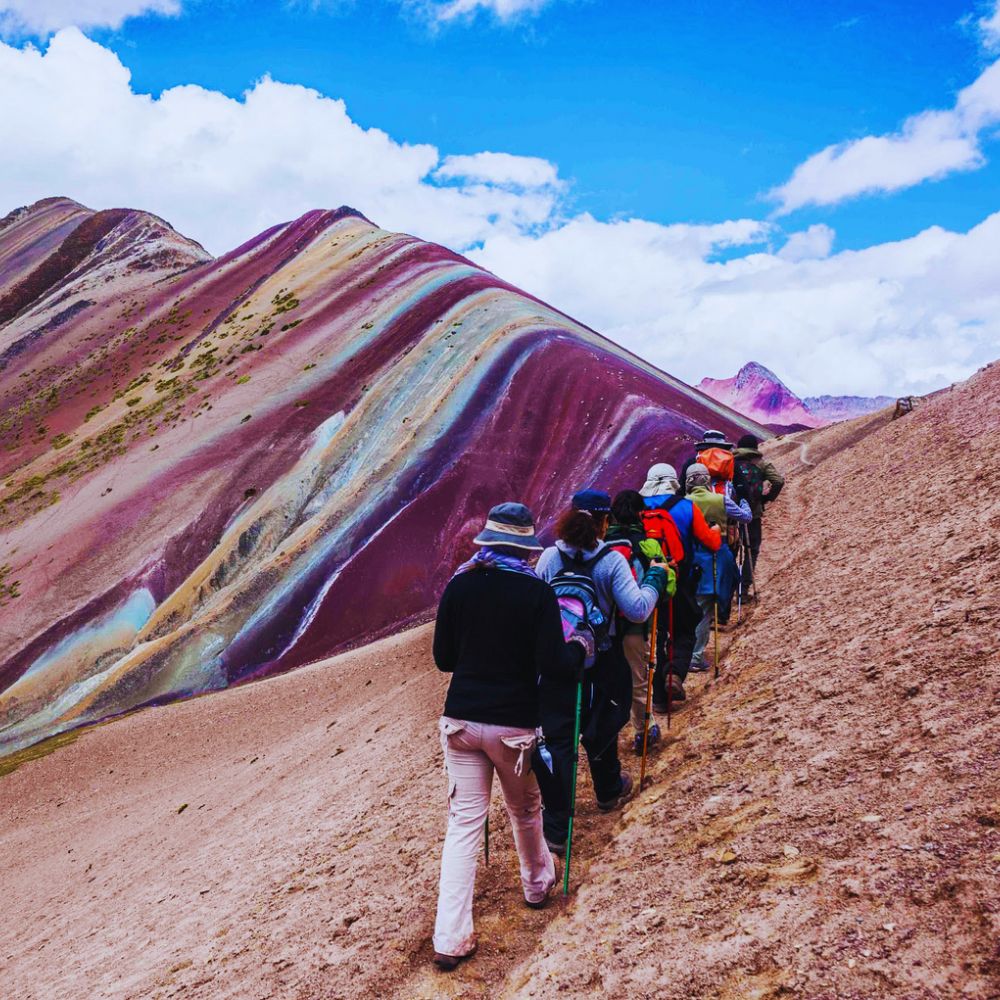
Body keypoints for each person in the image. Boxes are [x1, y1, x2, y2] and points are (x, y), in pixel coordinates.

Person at [432, 502, 579, 971]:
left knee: (463, 827)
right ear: (526, 548)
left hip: (460, 722)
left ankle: (450, 938)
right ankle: (537, 885)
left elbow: (444, 659)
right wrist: (579, 648)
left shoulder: (460, 583)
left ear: (489, 543)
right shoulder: (536, 594)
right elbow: (554, 666)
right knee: (524, 808)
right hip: (514, 725)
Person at [534, 489, 668, 853]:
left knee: (560, 740)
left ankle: (556, 828)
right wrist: (655, 580)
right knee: (602, 725)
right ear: (604, 522)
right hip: (600, 658)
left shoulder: (549, 557)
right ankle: (608, 790)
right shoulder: (610, 561)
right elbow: (637, 609)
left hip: (556, 663)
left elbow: (538, 603)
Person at [637, 463, 721, 708]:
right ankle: (674, 673)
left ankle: (659, 698)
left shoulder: (638, 508)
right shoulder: (686, 506)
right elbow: (711, 543)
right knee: (684, 628)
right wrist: (716, 530)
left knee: (655, 635)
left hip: (647, 580)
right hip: (680, 577)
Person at [605, 490, 676, 754]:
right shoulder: (648, 545)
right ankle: (643, 731)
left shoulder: (600, 545)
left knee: (608, 679)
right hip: (637, 625)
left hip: (602, 627)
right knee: (639, 678)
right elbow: (668, 588)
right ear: (639, 514)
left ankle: (606, 734)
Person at [684, 463, 750, 672]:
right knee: (705, 610)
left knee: (692, 604)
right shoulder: (721, 500)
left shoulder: (683, 502)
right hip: (717, 556)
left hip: (690, 556)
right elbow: (745, 517)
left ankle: (684, 652)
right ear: (706, 480)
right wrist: (746, 504)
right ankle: (695, 655)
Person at [732, 433, 785, 592]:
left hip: (731, 514)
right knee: (751, 549)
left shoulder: (730, 462)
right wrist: (766, 498)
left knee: (731, 549)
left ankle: (727, 587)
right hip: (753, 514)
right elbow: (778, 480)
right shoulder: (760, 464)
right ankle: (744, 587)